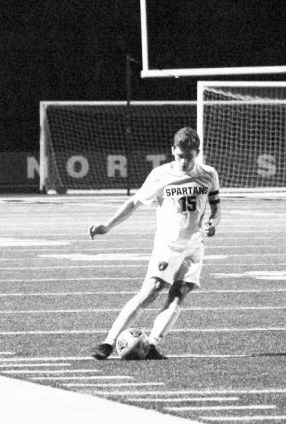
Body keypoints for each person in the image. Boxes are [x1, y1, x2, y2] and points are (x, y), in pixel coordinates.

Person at [88, 126, 221, 360]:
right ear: (172, 151)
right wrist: (107, 226)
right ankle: (108, 342)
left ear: (197, 153)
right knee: (151, 291)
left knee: (179, 294)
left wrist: (213, 223)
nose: (184, 161)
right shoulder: (161, 174)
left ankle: (152, 344)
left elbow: (216, 207)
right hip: (167, 246)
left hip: (194, 247)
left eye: (189, 157)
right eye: (180, 156)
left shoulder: (209, 174)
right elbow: (134, 203)